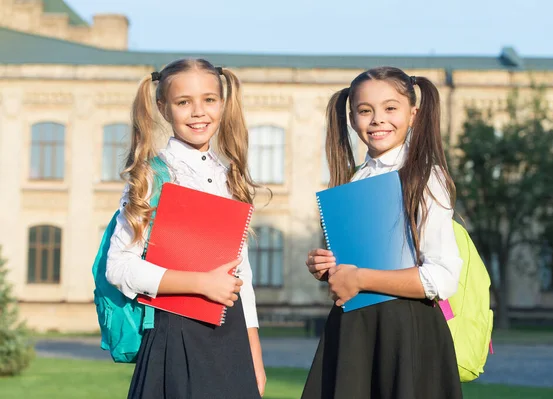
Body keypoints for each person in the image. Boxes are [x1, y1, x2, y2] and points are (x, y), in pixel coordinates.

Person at [106, 58, 265, 398]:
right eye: (183, 102)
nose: (198, 112)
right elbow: (118, 267)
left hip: (232, 335)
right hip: (174, 334)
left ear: (223, 104)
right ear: (163, 108)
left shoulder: (230, 176)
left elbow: (243, 276)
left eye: (209, 100)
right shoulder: (153, 176)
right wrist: (201, 284)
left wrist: (255, 355)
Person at [303, 66, 463, 399]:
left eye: (390, 108)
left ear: (413, 114)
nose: (378, 119)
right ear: (351, 118)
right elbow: (357, 264)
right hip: (353, 329)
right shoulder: (355, 180)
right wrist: (329, 268)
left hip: (406, 331)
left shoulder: (425, 177)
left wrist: (360, 278)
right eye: (365, 111)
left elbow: (443, 277)